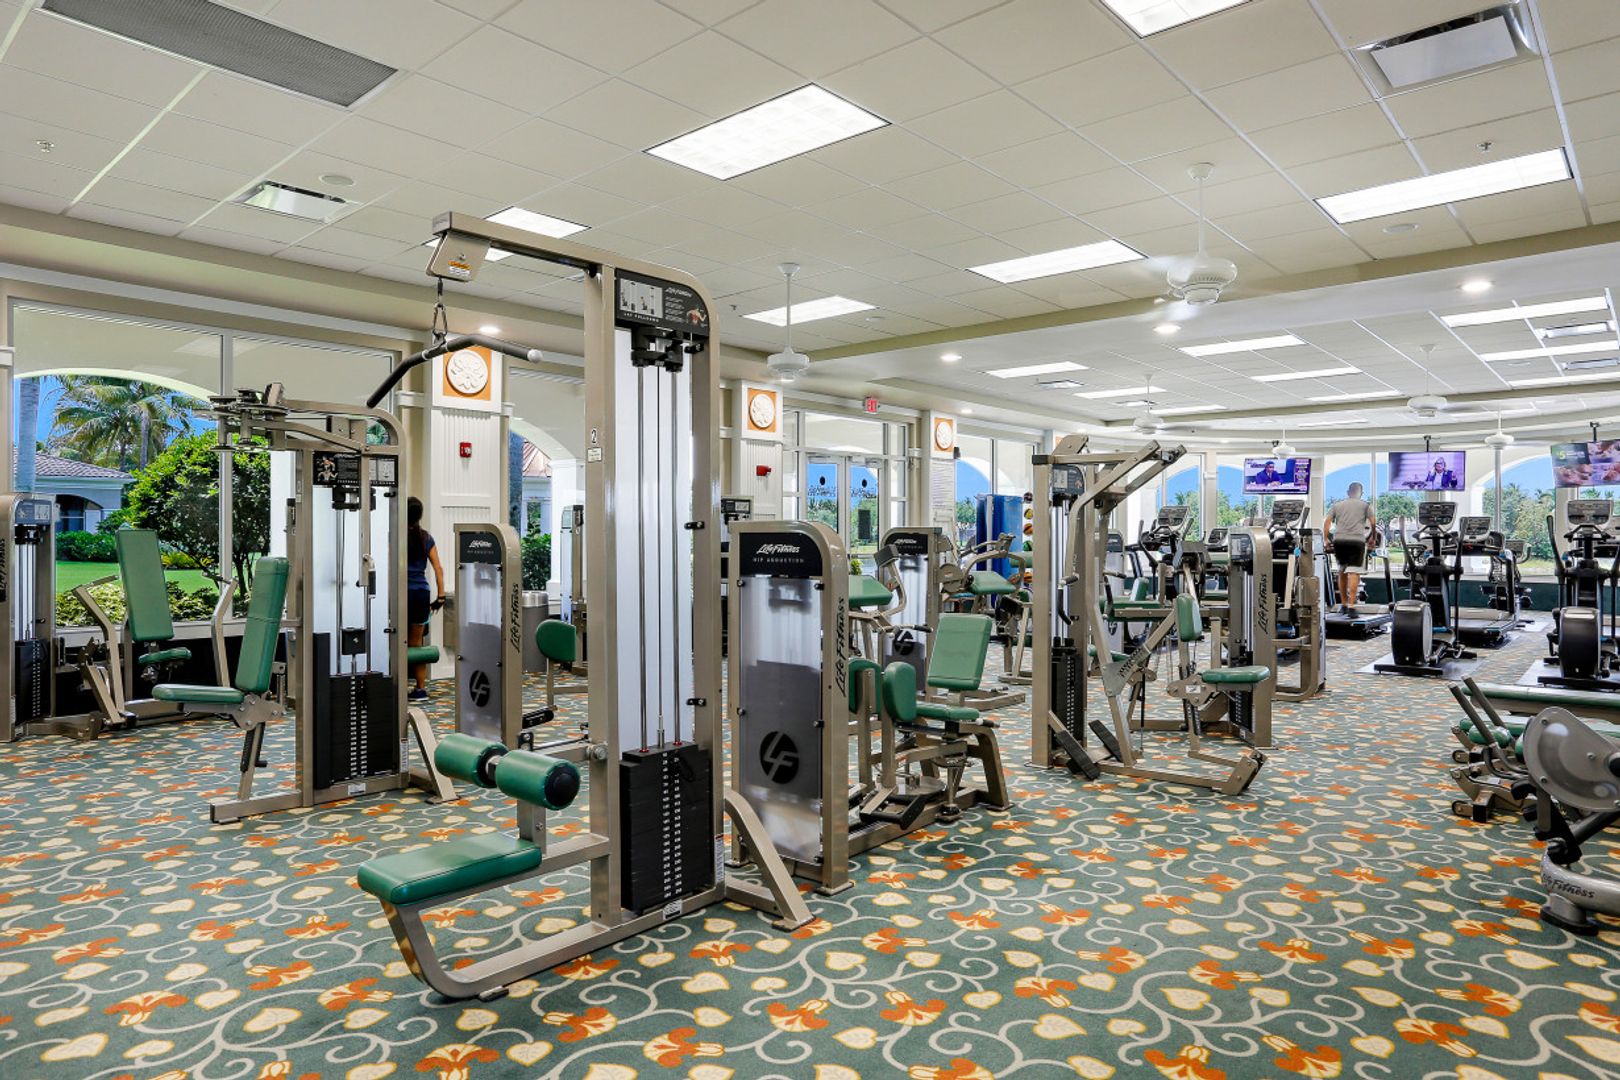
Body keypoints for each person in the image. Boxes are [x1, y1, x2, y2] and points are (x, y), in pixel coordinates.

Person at [406, 496, 445, 701]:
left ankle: (397, 684)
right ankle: (420, 688)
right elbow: (438, 568)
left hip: (401, 593)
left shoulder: (396, 535)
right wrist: (441, 596)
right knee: (416, 642)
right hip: (421, 593)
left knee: (395, 639)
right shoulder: (426, 537)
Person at [1327, 482, 1377, 613]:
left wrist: (1326, 539)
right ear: (1361, 493)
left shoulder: (1337, 505)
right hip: (1356, 541)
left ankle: (1343, 604)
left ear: (1348, 492)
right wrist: (1373, 538)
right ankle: (1351, 606)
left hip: (1340, 540)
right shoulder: (1366, 506)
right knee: (1354, 572)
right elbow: (1373, 523)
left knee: (1342, 571)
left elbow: (1327, 522)